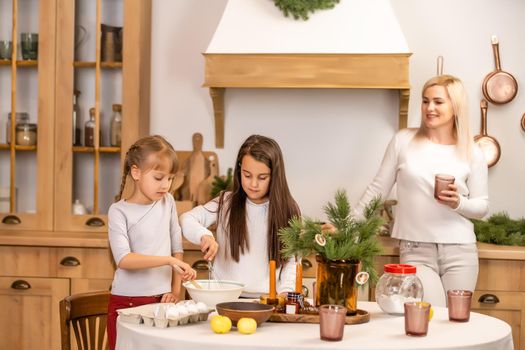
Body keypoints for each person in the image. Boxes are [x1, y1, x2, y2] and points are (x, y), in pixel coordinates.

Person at [355, 75, 488, 307]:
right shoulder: (403, 141)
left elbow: (482, 207)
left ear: (455, 107)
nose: (430, 108)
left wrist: (459, 203)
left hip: (461, 250)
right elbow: (377, 190)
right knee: (431, 316)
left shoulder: (472, 151)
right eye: (425, 101)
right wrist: (347, 223)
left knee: (456, 324)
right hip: (416, 249)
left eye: (438, 102)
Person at [180, 135, 301, 297]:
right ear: (239, 170)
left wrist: (286, 292)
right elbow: (186, 218)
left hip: (267, 300)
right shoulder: (225, 203)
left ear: (275, 176)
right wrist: (204, 236)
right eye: (247, 175)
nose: (253, 184)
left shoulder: (287, 210)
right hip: (225, 297)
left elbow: (291, 261)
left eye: (262, 177)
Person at [107, 135, 197, 350]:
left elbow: (177, 249)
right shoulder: (118, 211)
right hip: (128, 302)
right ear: (136, 172)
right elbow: (124, 259)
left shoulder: (168, 202)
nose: (165, 185)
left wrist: (175, 292)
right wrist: (167, 261)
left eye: (170, 178)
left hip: (163, 302)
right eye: (158, 178)